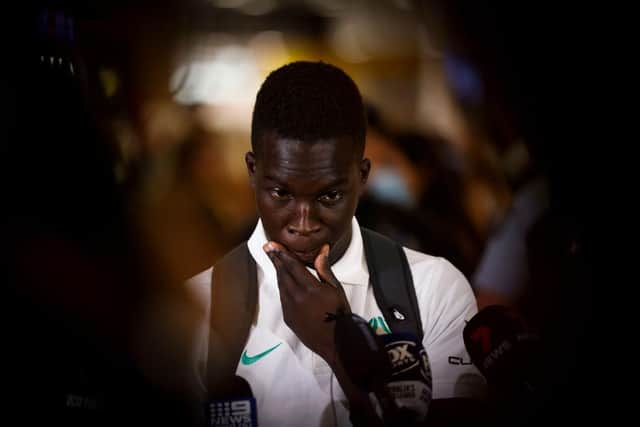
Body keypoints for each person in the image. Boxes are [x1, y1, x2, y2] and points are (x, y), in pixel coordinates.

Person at [189, 61, 486, 427]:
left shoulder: (433, 288)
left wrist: (337, 345)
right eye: (280, 192)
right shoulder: (195, 310)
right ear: (253, 170)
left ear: (362, 177)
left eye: (329, 196)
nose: (303, 222)